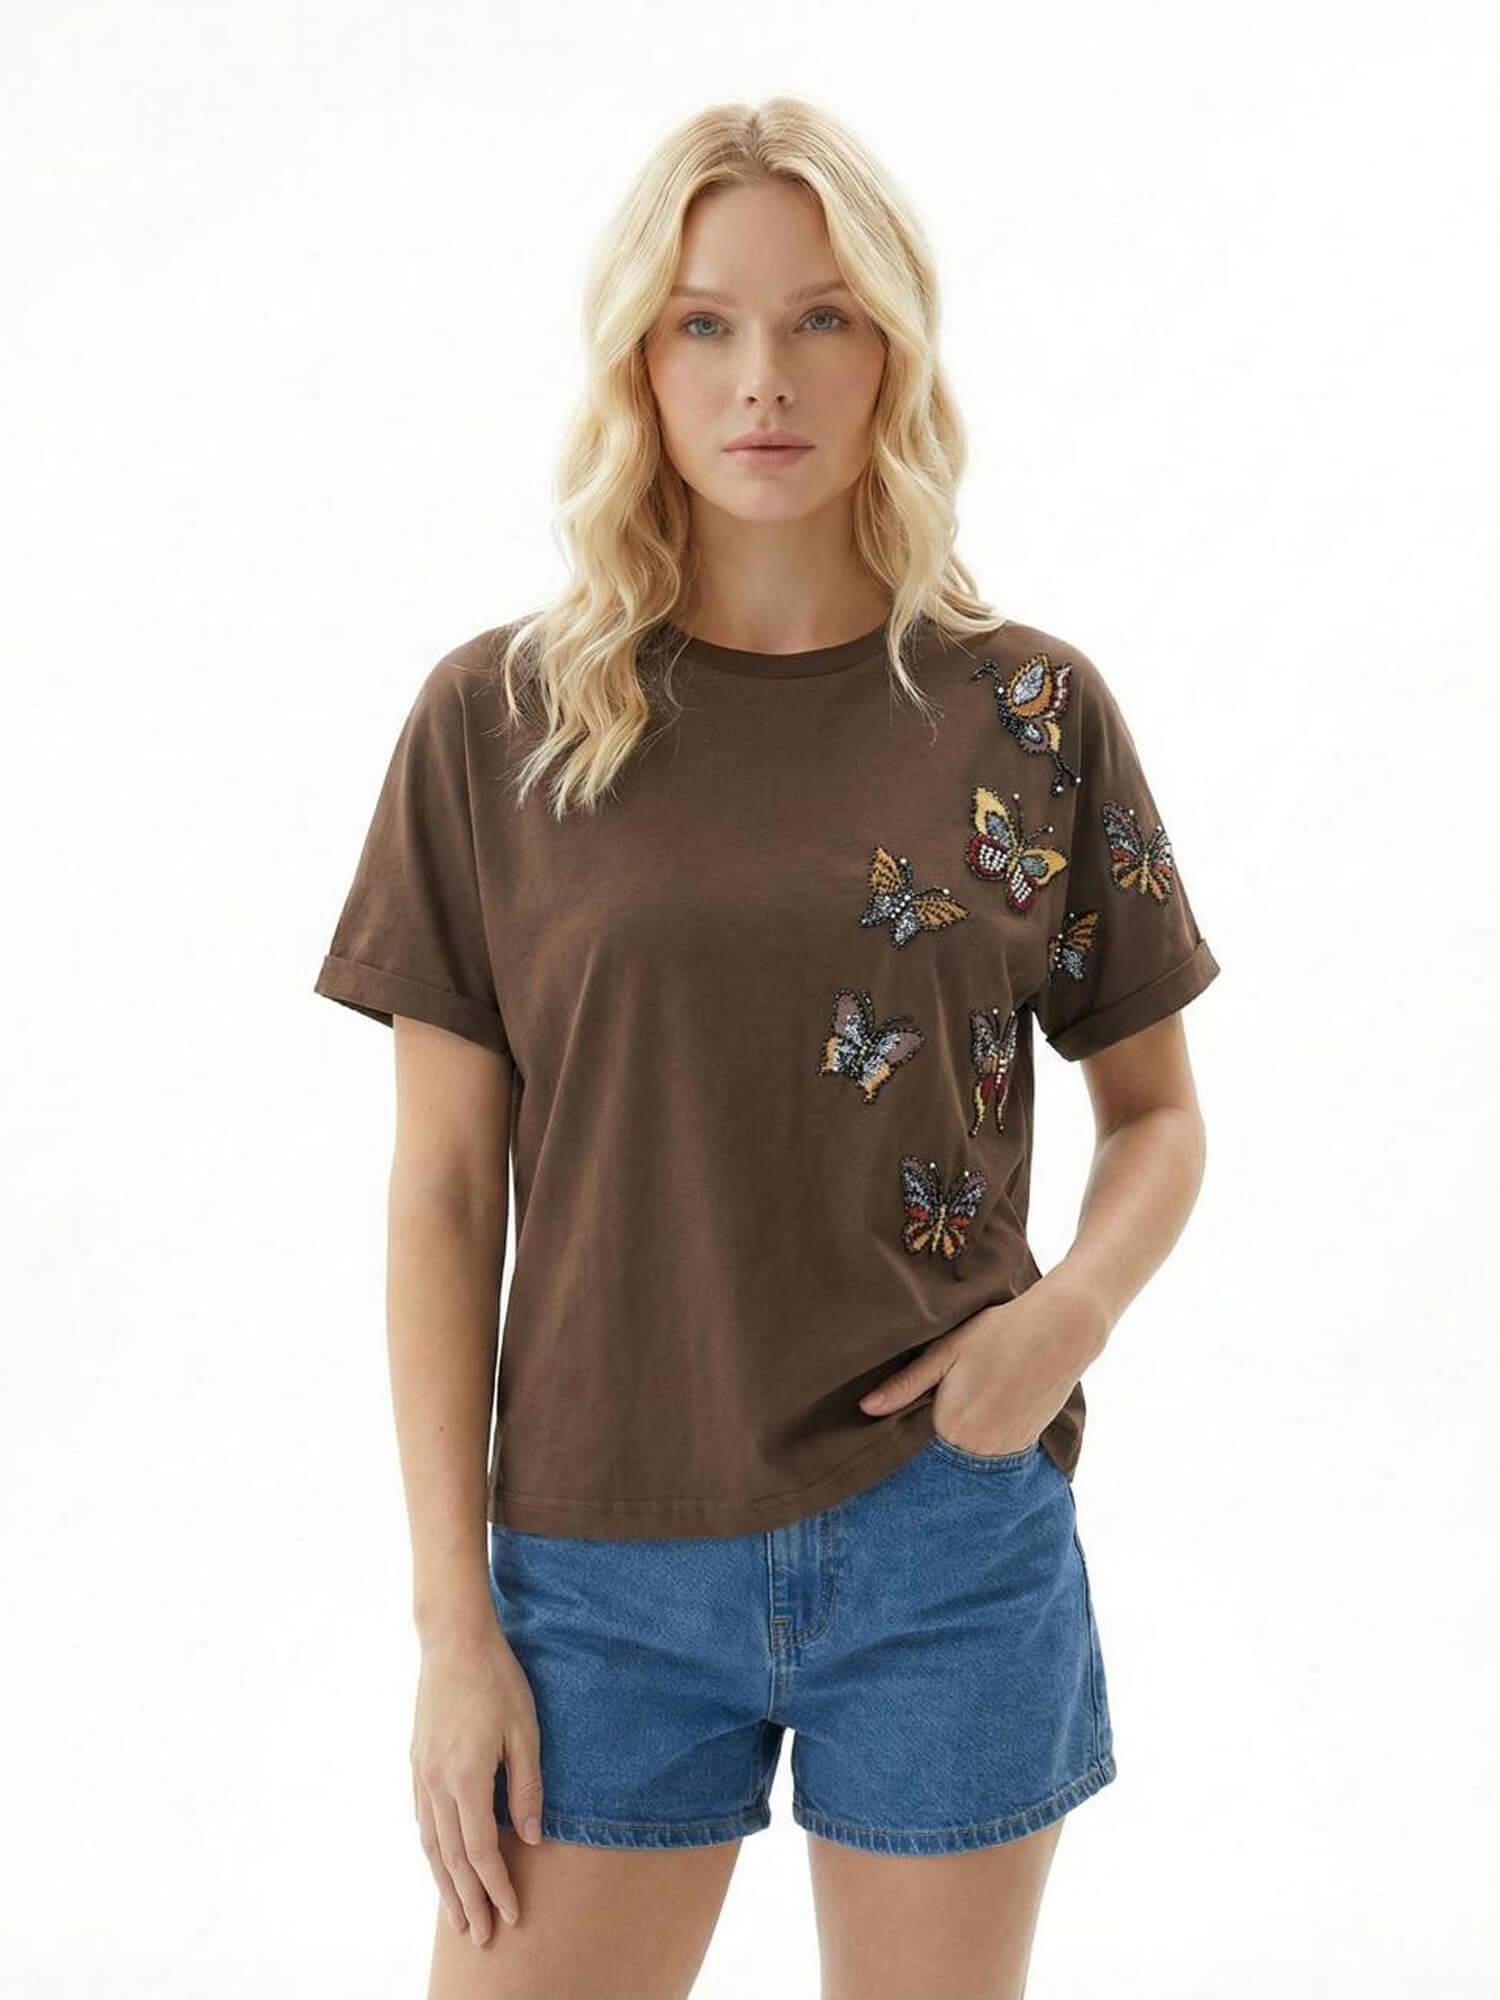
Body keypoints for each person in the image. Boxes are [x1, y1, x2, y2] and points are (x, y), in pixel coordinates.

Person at [313, 94, 1221, 2000]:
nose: (764, 379)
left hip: (945, 1539)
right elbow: (442, 1195)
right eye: (704, 323)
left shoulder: (1029, 713)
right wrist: (452, 1630)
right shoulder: (500, 724)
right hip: (595, 1565)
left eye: (823, 319)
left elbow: (1155, 1115)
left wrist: (1064, 1321)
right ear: (638, 362)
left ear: (894, 349)